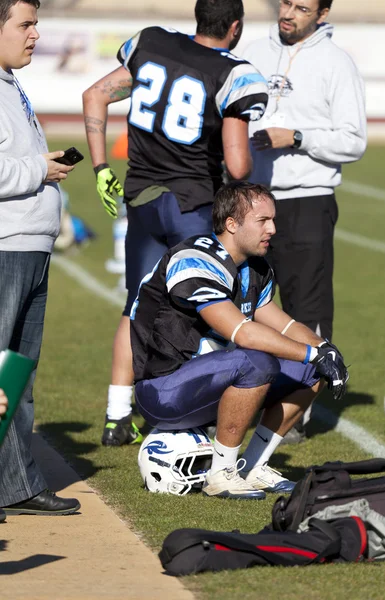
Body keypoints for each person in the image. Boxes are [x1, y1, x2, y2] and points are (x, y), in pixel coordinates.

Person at [82, 0, 269, 447]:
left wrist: (101, 169)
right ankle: (187, 411)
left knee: (136, 306)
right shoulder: (232, 72)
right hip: (192, 204)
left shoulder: (151, 42)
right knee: (204, 308)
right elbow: (239, 165)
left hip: (143, 198)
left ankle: (115, 417)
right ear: (235, 26)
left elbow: (94, 95)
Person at [132, 181, 349, 499]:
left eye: (273, 220)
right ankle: (222, 473)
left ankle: (253, 465)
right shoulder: (194, 258)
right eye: (263, 220)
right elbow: (242, 332)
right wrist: (311, 353)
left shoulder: (255, 266)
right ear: (231, 224)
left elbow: (284, 325)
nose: (273, 229)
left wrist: (325, 350)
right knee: (256, 360)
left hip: (212, 384)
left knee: (310, 369)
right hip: (163, 388)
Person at [241, 0, 366, 442]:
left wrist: (296, 137)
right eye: (285, 3)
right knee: (242, 303)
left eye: (301, 6)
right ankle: (241, 396)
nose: (288, 12)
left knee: (304, 305)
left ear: (323, 12)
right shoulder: (252, 51)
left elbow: (354, 140)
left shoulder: (337, 63)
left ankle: (296, 411)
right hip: (250, 198)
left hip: (307, 199)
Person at [0, 0, 80, 516]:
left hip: (30, 245)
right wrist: (39, 171)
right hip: (6, 247)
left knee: (16, 379)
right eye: (25, 25)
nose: (35, 34)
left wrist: (40, 166)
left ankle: (16, 484)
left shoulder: (11, 85)